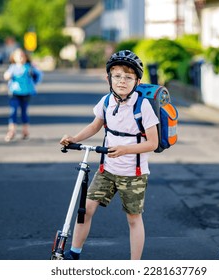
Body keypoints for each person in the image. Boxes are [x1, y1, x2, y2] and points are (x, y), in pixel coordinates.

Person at [59, 50, 159, 260]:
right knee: (85, 210)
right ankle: (74, 254)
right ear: (109, 78)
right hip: (107, 170)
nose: (122, 81)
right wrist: (75, 139)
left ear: (137, 81)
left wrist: (125, 149)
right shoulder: (106, 102)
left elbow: (153, 142)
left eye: (128, 77)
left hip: (133, 173)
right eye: (117, 76)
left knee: (133, 219)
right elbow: (95, 126)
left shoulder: (143, 106)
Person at [3, 48, 42, 142]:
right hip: (14, 93)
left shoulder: (29, 67)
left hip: (26, 93)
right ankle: (11, 131)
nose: (20, 58)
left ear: (25, 57)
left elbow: (38, 75)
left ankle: (25, 131)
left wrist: (34, 82)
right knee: (13, 112)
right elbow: (6, 75)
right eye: (18, 56)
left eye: (22, 56)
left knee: (24, 112)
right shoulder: (12, 67)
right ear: (14, 58)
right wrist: (7, 76)